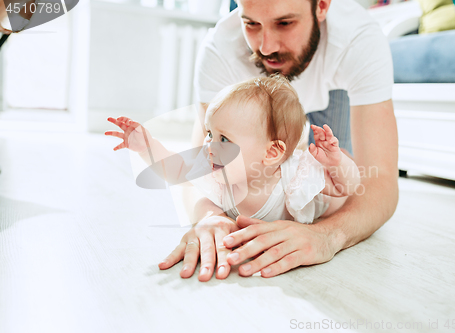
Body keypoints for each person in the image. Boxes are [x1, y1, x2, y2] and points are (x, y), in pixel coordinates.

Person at [163, 0, 399, 281]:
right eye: (251, 23)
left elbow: (378, 179)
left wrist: (326, 236)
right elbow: (199, 170)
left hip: (332, 89)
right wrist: (209, 217)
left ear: (322, 6)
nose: (266, 47)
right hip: (261, 112)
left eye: (284, 23)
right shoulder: (220, 49)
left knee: (337, 172)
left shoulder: (359, 40)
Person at [105, 74, 360, 227]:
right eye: (209, 134)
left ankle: (338, 157)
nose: (209, 145)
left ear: (271, 153)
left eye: (223, 138)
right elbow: (176, 170)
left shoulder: (295, 174)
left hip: (326, 199)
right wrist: (146, 146)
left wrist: (336, 162)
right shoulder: (216, 167)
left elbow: (345, 188)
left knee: (340, 181)